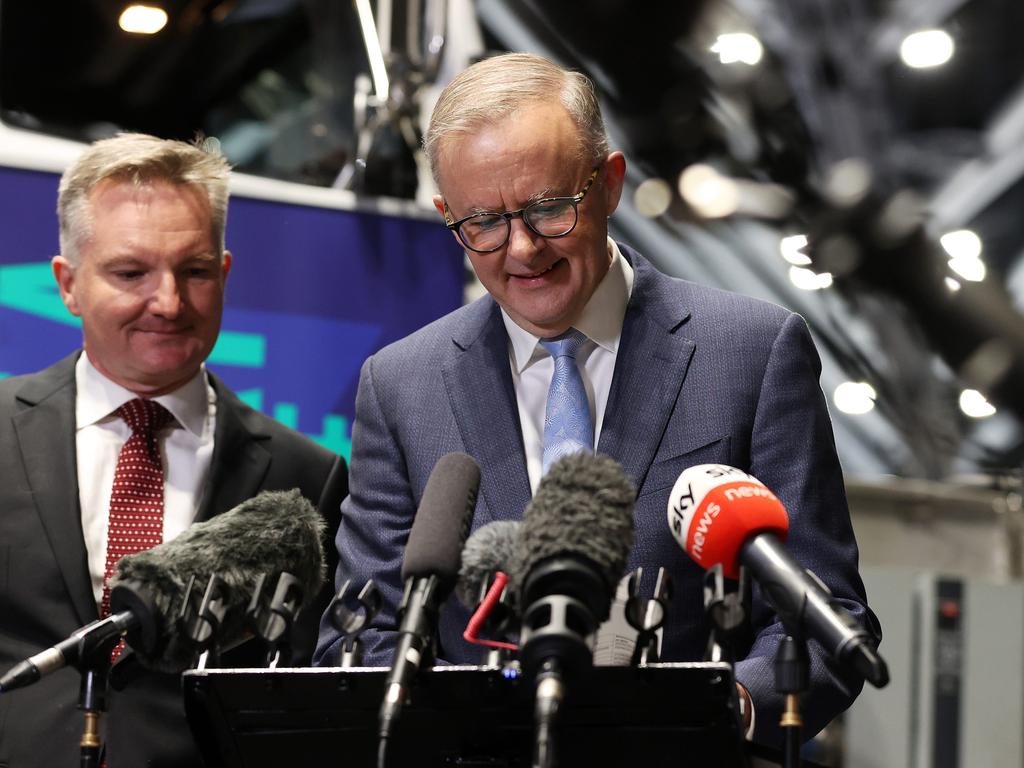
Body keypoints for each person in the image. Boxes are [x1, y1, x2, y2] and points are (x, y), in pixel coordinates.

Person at [314, 52, 879, 747]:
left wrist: (711, 714)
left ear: (608, 183)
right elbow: (369, 626)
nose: (522, 249)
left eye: (549, 208)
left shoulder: (753, 353)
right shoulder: (401, 385)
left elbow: (821, 616)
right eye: (483, 223)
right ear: (447, 216)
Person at [0, 133, 347, 767]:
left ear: (225, 273)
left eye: (194, 271)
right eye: (131, 273)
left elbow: (302, 696)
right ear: (68, 284)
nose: (168, 302)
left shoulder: (307, 476)